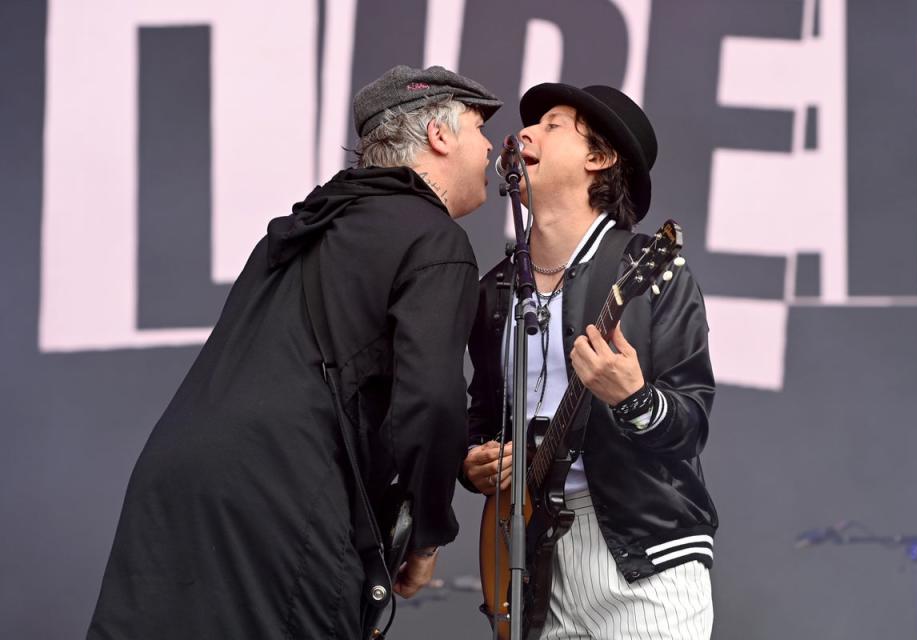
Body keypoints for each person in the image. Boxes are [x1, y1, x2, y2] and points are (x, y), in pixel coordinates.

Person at [87, 65, 501, 640]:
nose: (489, 150)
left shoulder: (298, 228)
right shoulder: (433, 238)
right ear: (439, 136)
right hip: (281, 502)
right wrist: (428, 530)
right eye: (479, 129)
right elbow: (430, 401)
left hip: (169, 491)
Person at [462, 83, 718, 639]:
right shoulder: (494, 291)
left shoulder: (650, 271)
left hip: (644, 555)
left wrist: (636, 400)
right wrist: (474, 459)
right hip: (533, 559)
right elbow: (481, 415)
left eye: (552, 125)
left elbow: (691, 422)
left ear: (599, 159)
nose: (524, 132)